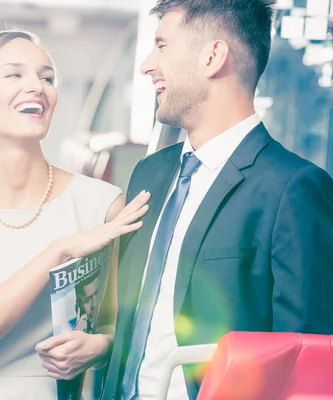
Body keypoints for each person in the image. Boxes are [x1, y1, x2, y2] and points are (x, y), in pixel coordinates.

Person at [102, 1, 333, 400]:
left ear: (212, 56)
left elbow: (305, 363)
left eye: (162, 45)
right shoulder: (149, 174)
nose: (146, 65)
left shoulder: (293, 188)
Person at [0, 29, 150, 399]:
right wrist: (57, 252)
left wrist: (98, 349)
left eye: (47, 77)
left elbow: (118, 326)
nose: (37, 86)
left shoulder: (101, 205)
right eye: (14, 74)